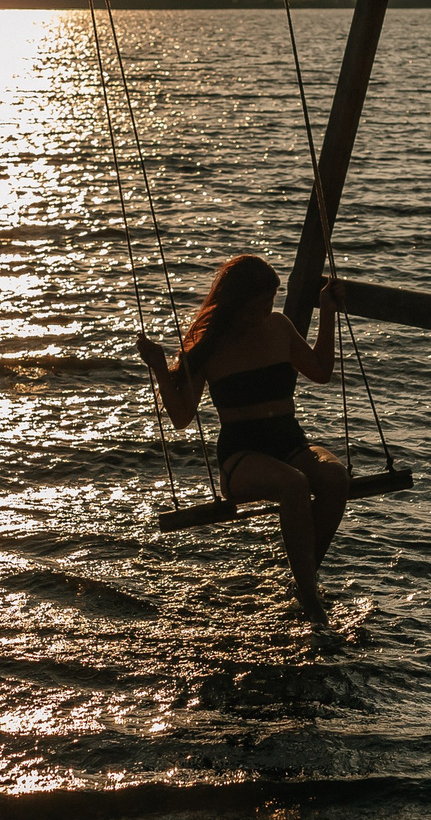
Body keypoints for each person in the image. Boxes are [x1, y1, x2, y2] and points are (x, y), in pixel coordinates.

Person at [138, 255, 350, 611]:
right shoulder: (209, 345)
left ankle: (304, 581)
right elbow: (182, 417)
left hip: (291, 443)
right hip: (241, 456)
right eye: (257, 306)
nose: (264, 313)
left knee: (335, 478)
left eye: (270, 303)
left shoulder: (280, 327)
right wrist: (160, 367)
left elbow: (320, 370)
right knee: (294, 484)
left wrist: (327, 310)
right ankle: (312, 601)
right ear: (235, 304)